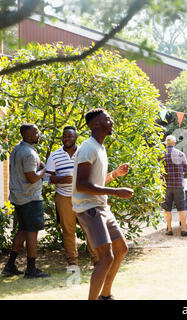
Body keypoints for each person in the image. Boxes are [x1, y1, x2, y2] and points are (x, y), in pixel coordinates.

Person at [72, 108, 133, 300]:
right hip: (89, 209)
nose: (112, 121)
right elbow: (81, 185)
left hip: (101, 207)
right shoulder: (88, 148)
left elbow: (95, 183)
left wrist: (115, 175)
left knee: (121, 248)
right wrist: (117, 192)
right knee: (106, 257)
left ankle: (105, 296)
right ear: (96, 124)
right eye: (107, 119)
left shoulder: (100, 147)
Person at [45, 126, 98, 272]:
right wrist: (61, 179)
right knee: (68, 230)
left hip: (84, 197)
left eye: (70, 136)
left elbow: (94, 174)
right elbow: (45, 179)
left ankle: (97, 260)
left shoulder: (84, 153)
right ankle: (73, 262)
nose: (67, 138)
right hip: (63, 197)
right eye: (64, 136)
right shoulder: (55, 155)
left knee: (90, 228)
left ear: (76, 137)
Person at [2, 124, 50, 278]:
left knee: (22, 230)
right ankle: (31, 269)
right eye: (36, 132)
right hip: (30, 198)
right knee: (31, 232)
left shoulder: (17, 148)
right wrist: (45, 170)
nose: (38, 134)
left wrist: (40, 167)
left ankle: (9, 266)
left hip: (18, 197)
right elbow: (32, 177)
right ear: (29, 136)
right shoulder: (29, 153)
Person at [161, 135, 187, 237]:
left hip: (165, 186)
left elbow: (157, 170)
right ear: (174, 143)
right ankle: (184, 230)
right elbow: (185, 169)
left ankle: (169, 229)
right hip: (178, 185)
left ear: (166, 144)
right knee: (182, 208)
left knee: (167, 208)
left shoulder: (161, 155)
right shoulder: (181, 154)